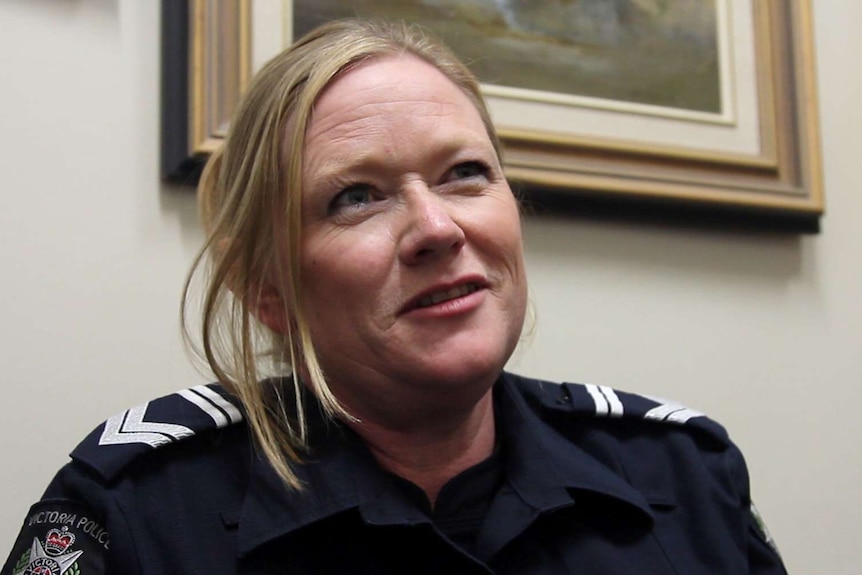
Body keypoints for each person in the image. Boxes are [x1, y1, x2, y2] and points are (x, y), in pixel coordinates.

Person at [3, 18, 786, 575]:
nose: (437, 227)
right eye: (357, 197)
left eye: (465, 173)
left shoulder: (684, 473)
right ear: (269, 290)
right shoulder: (134, 509)